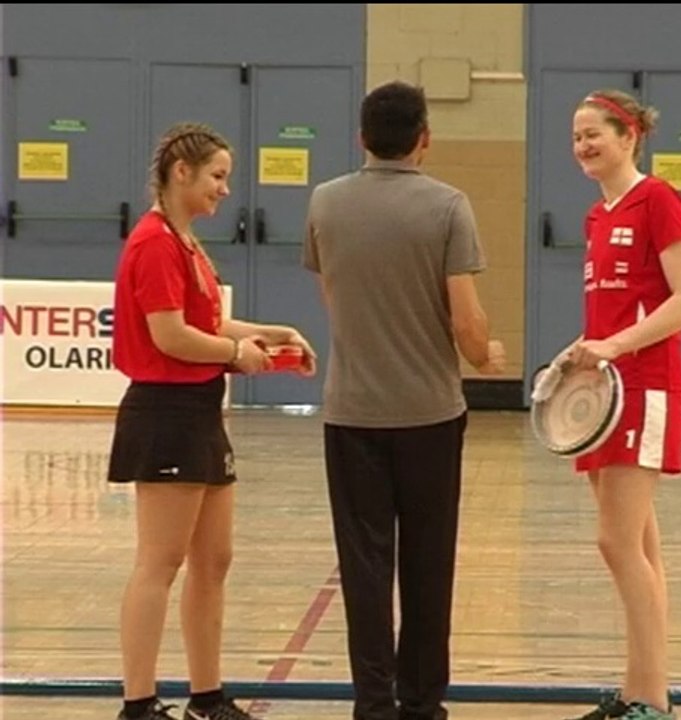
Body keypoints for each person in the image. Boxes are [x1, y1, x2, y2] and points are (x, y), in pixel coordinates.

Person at [302, 80, 506, 720]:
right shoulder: (449, 206)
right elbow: (465, 318)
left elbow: (333, 294)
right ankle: (421, 703)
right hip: (429, 417)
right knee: (427, 560)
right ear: (424, 139)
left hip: (351, 413)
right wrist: (486, 357)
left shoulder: (325, 202)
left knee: (364, 567)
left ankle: (373, 704)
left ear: (361, 138)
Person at [108, 122, 317, 720]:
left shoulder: (188, 243)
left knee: (213, 559)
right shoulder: (153, 243)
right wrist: (235, 355)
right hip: (166, 412)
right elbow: (169, 335)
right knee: (160, 561)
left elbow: (208, 324)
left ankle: (206, 696)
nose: (226, 190)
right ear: (183, 174)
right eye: (218, 177)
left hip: (200, 410)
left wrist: (269, 334)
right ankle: (139, 703)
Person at [560, 90, 681, 720]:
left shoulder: (660, 201)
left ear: (629, 138)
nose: (584, 145)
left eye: (595, 133)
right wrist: (581, 350)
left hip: (645, 388)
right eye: (576, 136)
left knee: (617, 544)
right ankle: (640, 692)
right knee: (640, 548)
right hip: (603, 395)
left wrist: (615, 345)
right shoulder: (598, 216)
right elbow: (616, 311)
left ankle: (651, 699)